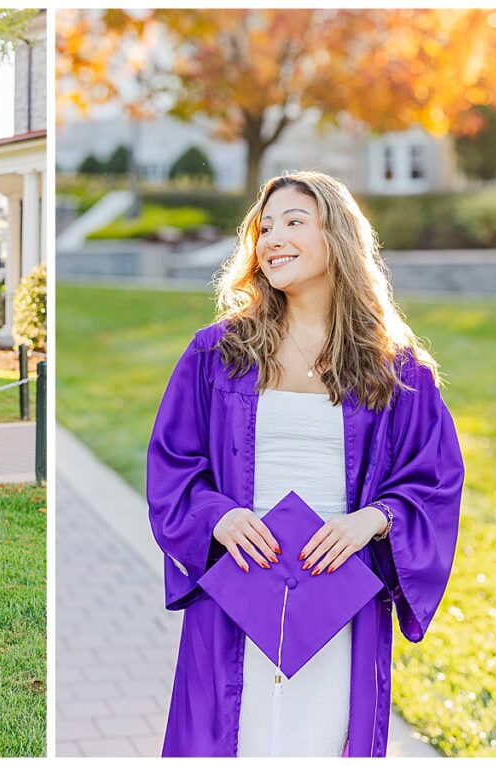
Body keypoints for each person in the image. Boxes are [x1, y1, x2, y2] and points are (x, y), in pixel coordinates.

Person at [146, 171, 464, 757]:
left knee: (321, 738)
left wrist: (368, 521)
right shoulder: (217, 354)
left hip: (338, 593)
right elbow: (172, 464)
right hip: (239, 582)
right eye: (265, 227)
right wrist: (218, 517)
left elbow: (435, 480)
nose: (273, 238)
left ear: (337, 237)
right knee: (231, 738)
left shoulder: (396, 369)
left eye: (294, 222)